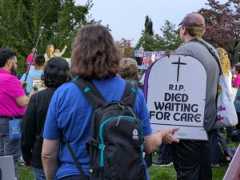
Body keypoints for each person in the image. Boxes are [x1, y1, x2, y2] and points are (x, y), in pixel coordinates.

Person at [41, 25, 178, 180]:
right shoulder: (133, 93)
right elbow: (147, 145)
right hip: (124, 174)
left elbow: (48, 153)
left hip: (75, 173)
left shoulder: (63, 94)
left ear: (78, 54)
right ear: (113, 53)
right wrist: (161, 135)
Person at [172, 12, 220, 180]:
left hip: (188, 124)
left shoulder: (184, 51)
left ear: (183, 29)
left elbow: (173, 87)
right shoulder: (212, 51)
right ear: (203, 31)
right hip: (207, 121)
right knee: (203, 170)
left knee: (188, 171)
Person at [21, 57, 70, 180]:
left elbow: (27, 131)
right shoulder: (72, 98)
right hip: (65, 157)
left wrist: (27, 156)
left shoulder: (38, 98)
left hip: (44, 156)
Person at [0, 48, 29, 164]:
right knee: (12, 157)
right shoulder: (11, 79)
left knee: (1, 154)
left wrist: (19, 87)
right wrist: (33, 95)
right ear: (9, 62)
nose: (16, 66)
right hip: (12, 123)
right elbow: (23, 102)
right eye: (16, 63)